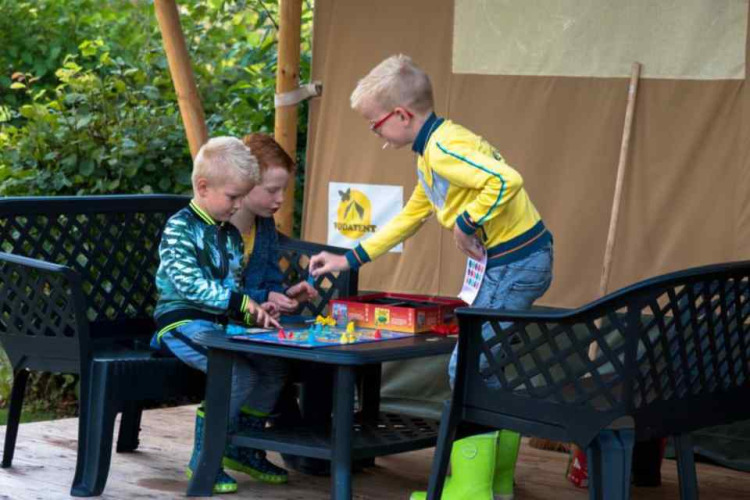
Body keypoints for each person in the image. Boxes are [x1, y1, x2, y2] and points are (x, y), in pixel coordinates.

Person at [309, 55, 554, 500]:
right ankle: (494, 484)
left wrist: (466, 223)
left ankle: (470, 491)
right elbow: (411, 216)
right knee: (488, 368)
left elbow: (506, 180)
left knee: (467, 367)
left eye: (375, 124)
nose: (376, 134)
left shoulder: (442, 149)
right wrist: (349, 259)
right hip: (512, 263)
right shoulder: (431, 154)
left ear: (402, 115)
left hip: (515, 263)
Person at [149, 136, 285, 494]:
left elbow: (231, 290)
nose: (239, 205)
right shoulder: (180, 228)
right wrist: (241, 303)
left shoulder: (230, 236)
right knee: (236, 373)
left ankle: (244, 449)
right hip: (181, 323)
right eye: (233, 197)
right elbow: (190, 285)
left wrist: (255, 312)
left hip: (218, 325)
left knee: (273, 366)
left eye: (243, 197)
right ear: (203, 187)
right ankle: (206, 457)